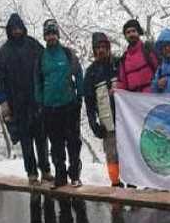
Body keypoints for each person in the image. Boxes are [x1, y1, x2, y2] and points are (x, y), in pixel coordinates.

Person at [0, 13, 52, 185]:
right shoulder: (3, 53)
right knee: (26, 143)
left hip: (37, 102)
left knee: (42, 140)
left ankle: (46, 171)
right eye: (14, 29)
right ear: (9, 30)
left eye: (19, 28)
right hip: (18, 106)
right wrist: (3, 103)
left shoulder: (33, 45)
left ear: (23, 28)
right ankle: (32, 174)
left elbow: (46, 65)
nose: (17, 31)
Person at [35, 18, 84, 188]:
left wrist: (79, 96)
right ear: (44, 37)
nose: (51, 37)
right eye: (48, 34)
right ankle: (61, 176)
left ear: (58, 35)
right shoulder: (41, 57)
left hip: (69, 105)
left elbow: (78, 74)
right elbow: (37, 81)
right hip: (50, 108)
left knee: (73, 142)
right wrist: (40, 103)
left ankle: (75, 175)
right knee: (55, 144)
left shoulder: (68, 53)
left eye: (53, 33)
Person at [83, 31, 122, 187]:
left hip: (126, 120)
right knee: (112, 156)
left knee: (131, 153)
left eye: (103, 47)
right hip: (107, 122)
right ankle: (115, 183)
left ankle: (133, 183)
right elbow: (89, 102)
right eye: (97, 48)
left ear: (108, 48)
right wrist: (93, 125)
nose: (100, 50)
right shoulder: (90, 73)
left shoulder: (118, 64)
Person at [117, 18, 158, 93]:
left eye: (133, 31)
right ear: (125, 36)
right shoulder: (124, 59)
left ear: (138, 32)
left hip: (152, 98)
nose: (131, 34)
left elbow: (159, 70)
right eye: (128, 32)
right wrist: (117, 91)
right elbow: (123, 83)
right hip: (134, 101)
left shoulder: (148, 50)